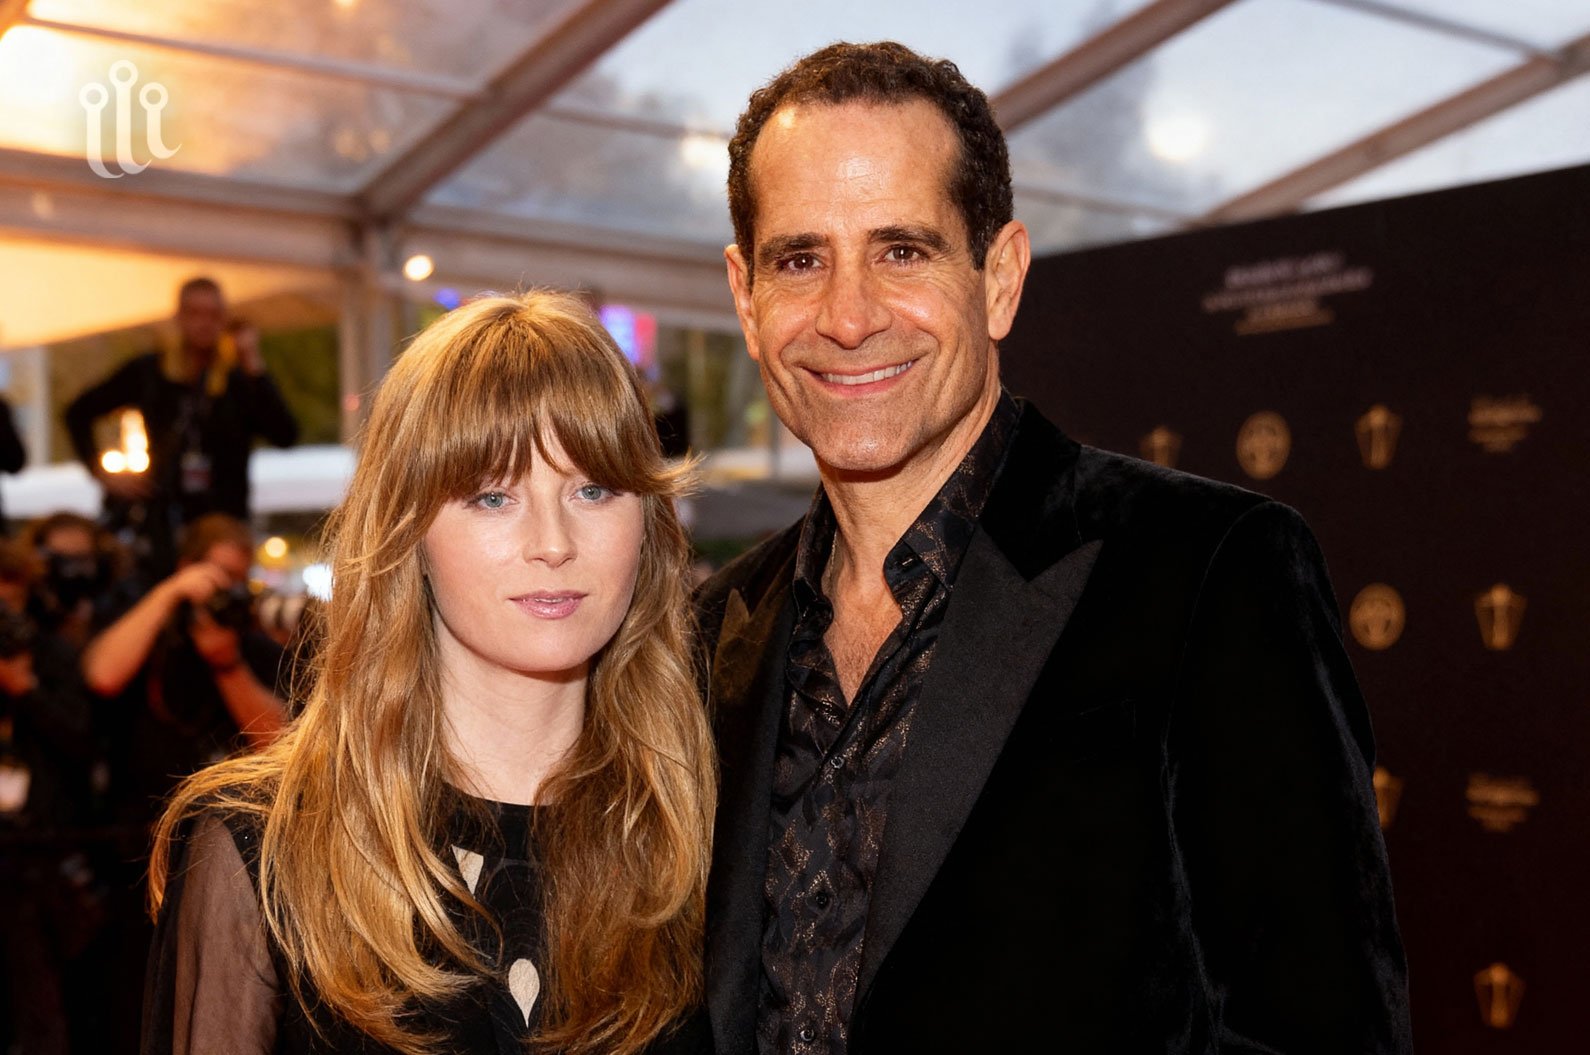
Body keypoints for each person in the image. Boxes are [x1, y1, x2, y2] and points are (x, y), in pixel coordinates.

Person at [695, 42, 1412, 1054]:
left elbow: (1322, 1028)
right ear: (746, 297)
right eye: (801, 259)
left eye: (902, 251)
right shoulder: (708, 635)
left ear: (999, 278)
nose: (848, 317)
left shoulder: (1209, 575)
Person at [143, 292, 716, 1054]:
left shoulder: (705, 837)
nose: (553, 542)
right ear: (406, 530)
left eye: (593, 489)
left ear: (646, 518)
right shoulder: (265, 852)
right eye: (492, 495)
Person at [64, 276, 298, 575]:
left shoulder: (237, 379)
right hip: (164, 518)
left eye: (213, 315)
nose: (204, 324)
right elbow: (78, 412)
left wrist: (254, 365)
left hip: (224, 519)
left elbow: (285, 434)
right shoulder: (152, 372)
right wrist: (102, 473)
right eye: (195, 313)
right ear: (180, 318)